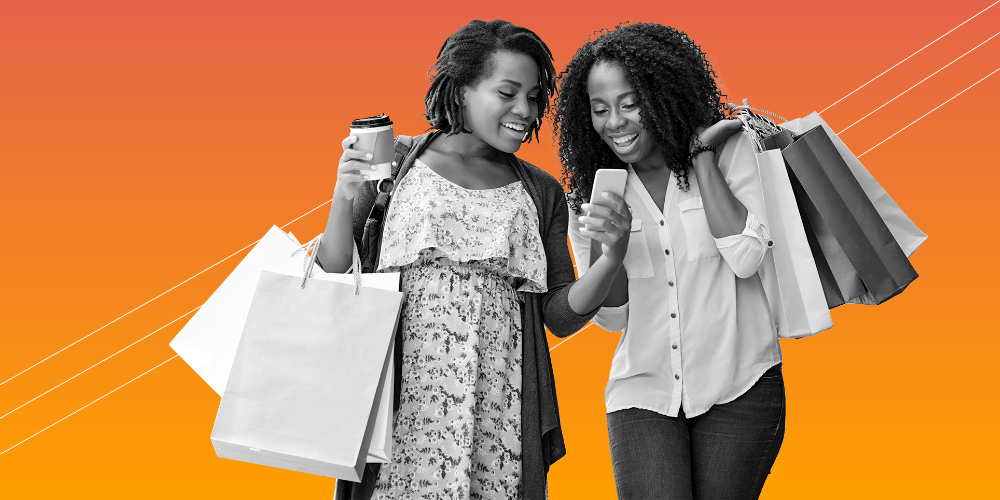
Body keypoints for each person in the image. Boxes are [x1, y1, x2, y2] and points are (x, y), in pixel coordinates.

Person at [319, 19, 629, 500]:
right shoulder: (397, 162)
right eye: (507, 92)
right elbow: (335, 272)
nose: (524, 110)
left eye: (533, 97)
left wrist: (611, 258)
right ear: (461, 89)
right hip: (403, 404)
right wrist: (343, 195)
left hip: (501, 406)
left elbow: (558, 316)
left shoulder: (540, 190)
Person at [554, 23, 785, 500]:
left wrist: (700, 155)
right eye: (600, 109)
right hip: (644, 391)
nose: (614, 122)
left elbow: (745, 258)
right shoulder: (592, 195)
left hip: (739, 385)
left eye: (630, 103)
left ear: (662, 96)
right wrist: (610, 249)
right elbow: (613, 319)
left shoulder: (730, 152)